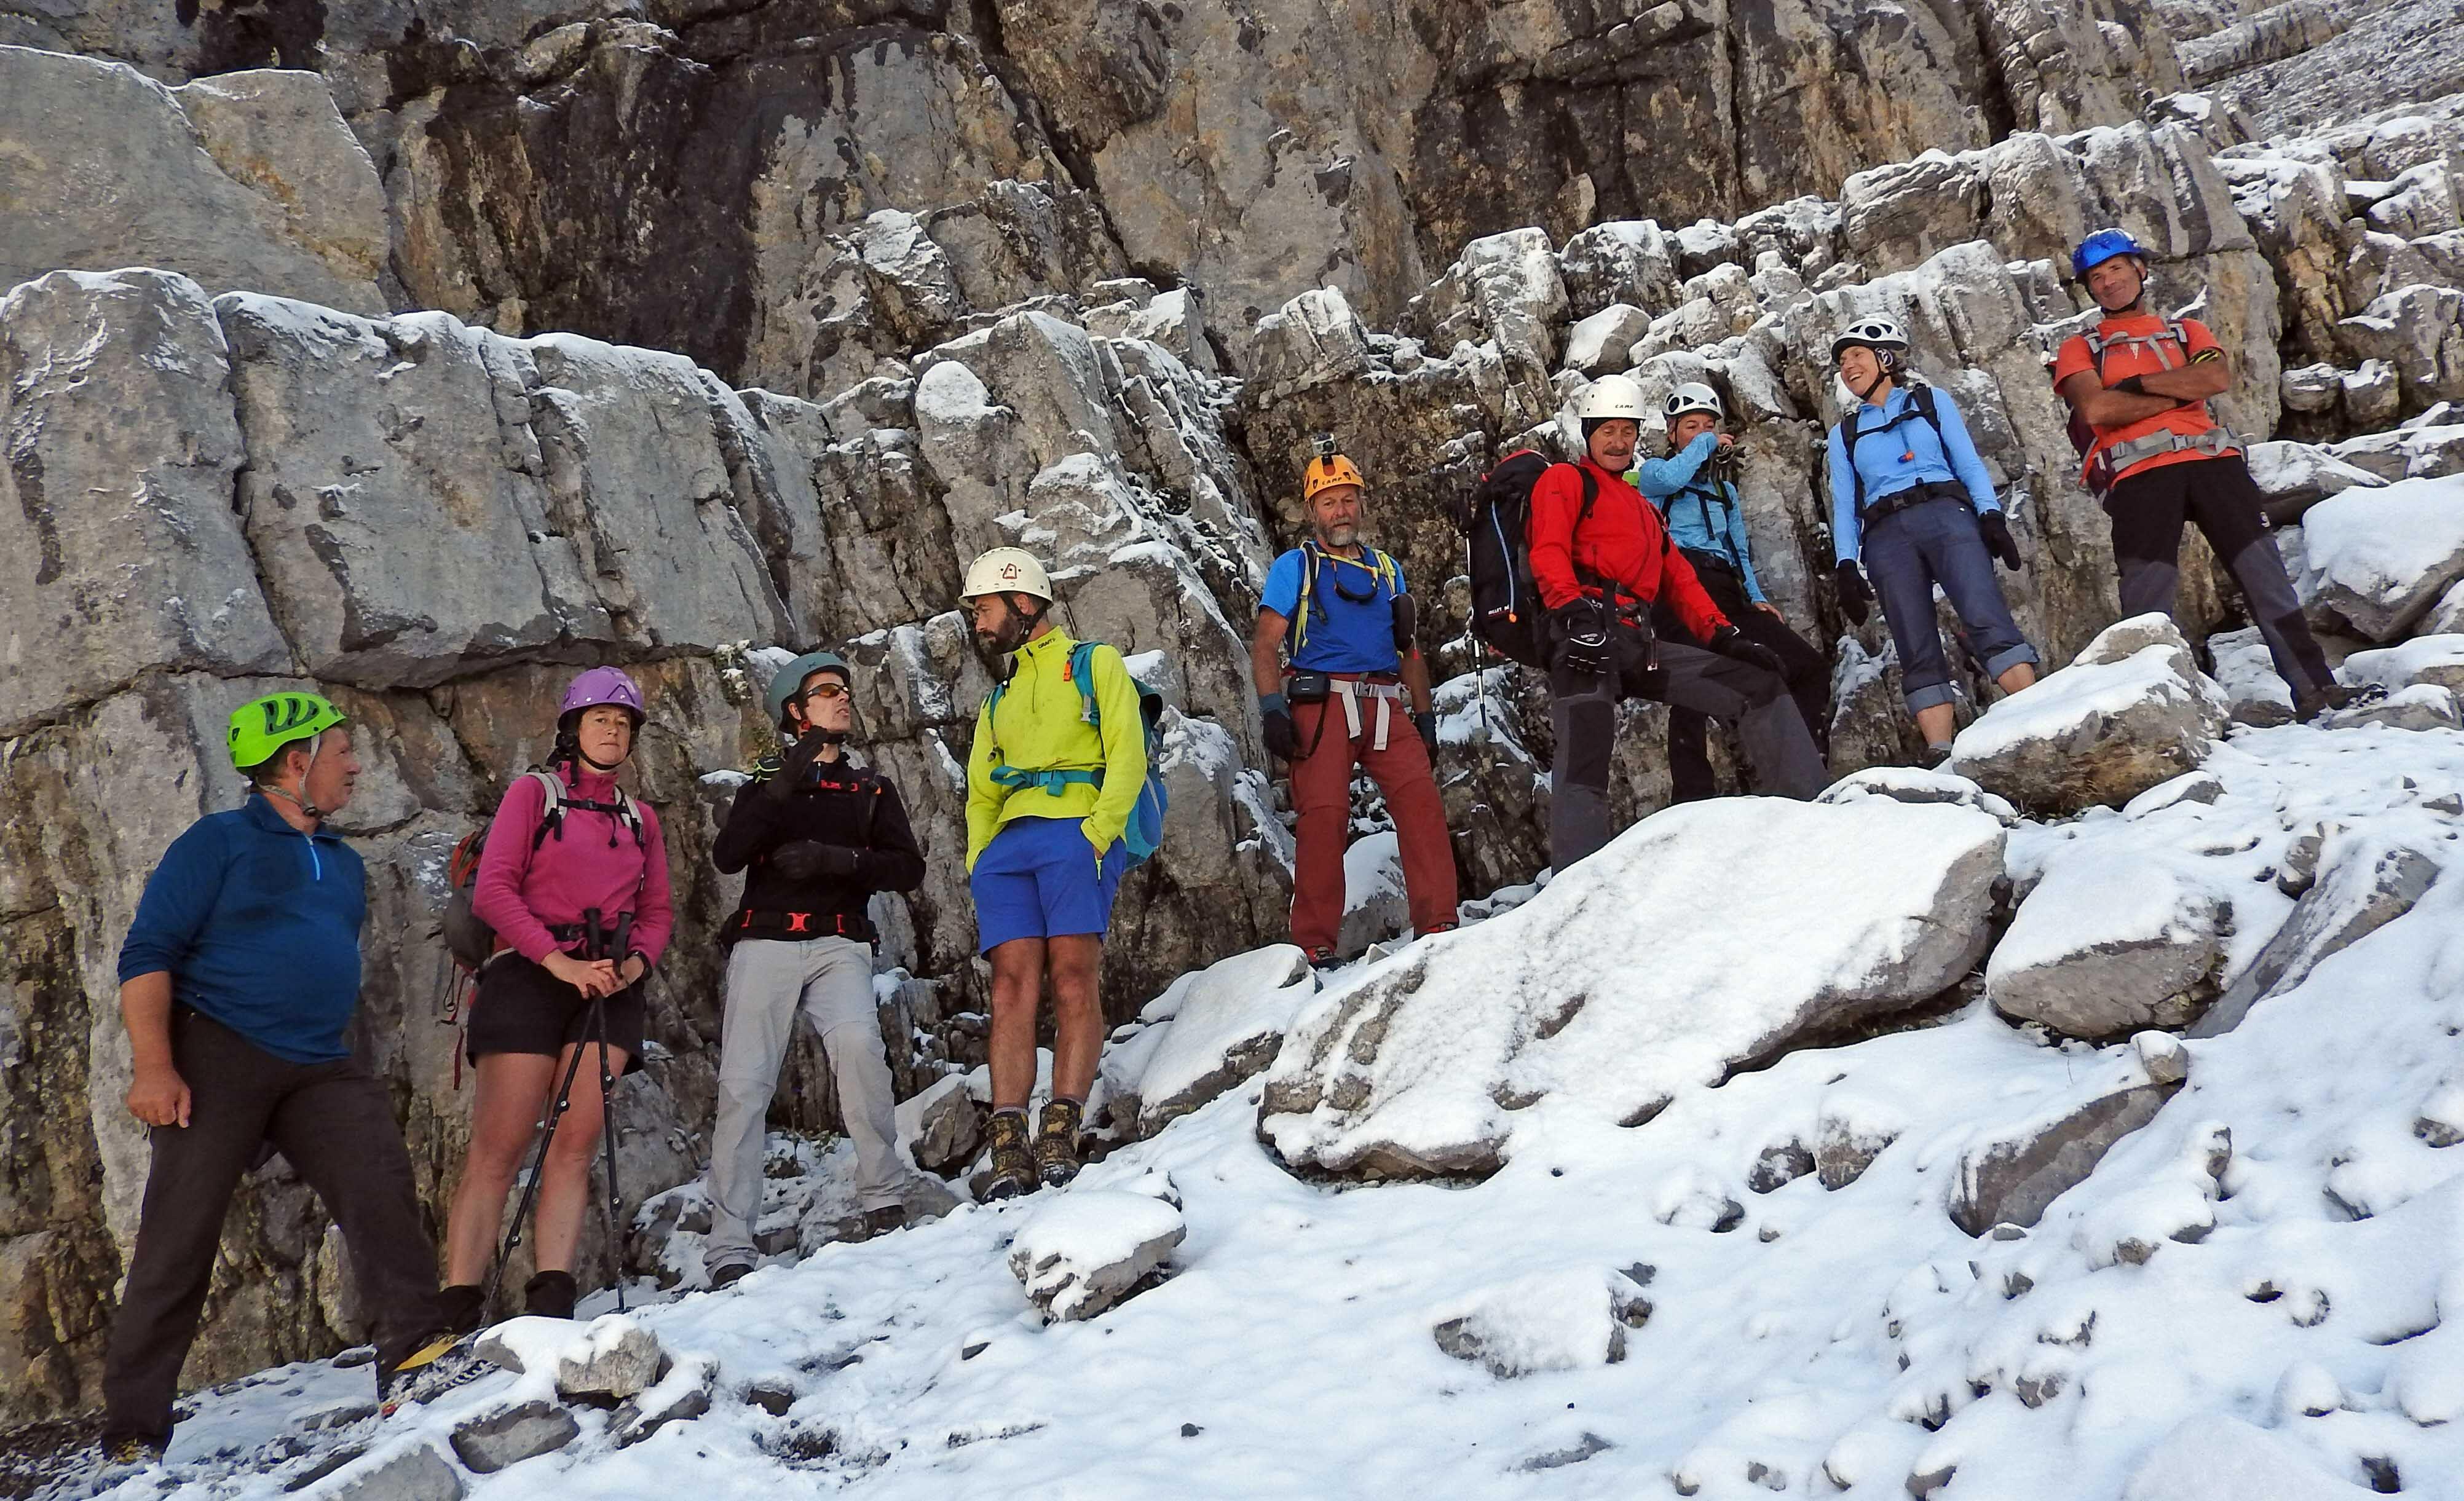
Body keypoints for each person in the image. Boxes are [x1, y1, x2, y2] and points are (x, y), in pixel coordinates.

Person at [100, 691, 467, 1466]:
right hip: (216, 1053)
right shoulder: (217, 842)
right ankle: (133, 1430)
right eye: (342, 752)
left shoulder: (342, 861)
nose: (356, 766)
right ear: (297, 763)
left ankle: (412, 1351)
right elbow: (148, 953)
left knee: (379, 1185)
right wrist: (155, 1066)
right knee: (178, 1236)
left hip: (319, 1060)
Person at [438, 668, 673, 1330]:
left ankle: (551, 1303)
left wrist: (634, 965)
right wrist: (559, 962)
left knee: (575, 1143)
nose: (613, 731)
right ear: (573, 728)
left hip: (608, 983)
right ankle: (456, 1306)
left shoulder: (640, 819)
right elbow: (495, 891)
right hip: (530, 974)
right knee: (500, 1146)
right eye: (601, 719)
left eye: (623, 723)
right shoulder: (533, 795)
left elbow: (657, 911)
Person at [2054, 229, 2356, 720]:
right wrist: (2179, 392)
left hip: (2214, 465)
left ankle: (2318, 691)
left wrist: (2135, 386)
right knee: (2147, 597)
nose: (2108, 282)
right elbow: (2098, 409)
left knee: (2265, 577)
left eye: (2116, 269)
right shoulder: (2079, 347)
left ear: (2140, 270)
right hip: (2139, 476)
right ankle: (2153, 713)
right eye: (2097, 277)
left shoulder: (2187, 331)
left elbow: (2214, 378)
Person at [1533, 374, 1828, 873]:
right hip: (1585, 634)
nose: (1619, 442)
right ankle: (1576, 886)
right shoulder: (1565, 480)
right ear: (1589, 434)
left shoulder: (1644, 511)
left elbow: (1680, 580)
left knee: (1755, 684)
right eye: (1607, 431)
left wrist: (1724, 636)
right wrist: (1572, 613)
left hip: (1639, 639)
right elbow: (1548, 549)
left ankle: (1809, 810)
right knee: (1585, 755)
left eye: (1627, 432)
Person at [701, 652, 929, 1290]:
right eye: (827, 691)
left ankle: (883, 1196)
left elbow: (907, 868)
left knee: (859, 1048)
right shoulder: (766, 781)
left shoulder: (869, 788)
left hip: (838, 941)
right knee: (744, 1084)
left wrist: (837, 861)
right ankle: (729, 1246)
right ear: (796, 711)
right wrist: (784, 778)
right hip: (766, 940)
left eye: (845, 690)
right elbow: (729, 855)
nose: (843, 698)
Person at [962, 548, 1145, 1199]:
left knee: (1072, 977)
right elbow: (981, 789)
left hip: (1075, 834)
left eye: (985, 609)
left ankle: (1061, 1129)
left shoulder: (1095, 664)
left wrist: (1097, 834)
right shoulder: (998, 699)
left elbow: (1128, 753)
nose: (978, 622)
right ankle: (1009, 1142)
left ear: (1024, 602)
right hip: (1008, 850)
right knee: (1010, 989)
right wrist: (980, 857)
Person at [1250, 446, 1458, 966]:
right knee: (1324, 818)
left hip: (1386, 704)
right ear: (1312, 511)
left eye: (1347, 500)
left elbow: (1409, 650)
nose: (1340, 511)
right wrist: (1272, 707)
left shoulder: (1387, 571)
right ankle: (1314, 943)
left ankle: (1439, 923)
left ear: (1361, 504)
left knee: (1422, 805)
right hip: (1323, 705)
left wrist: (1425, 716)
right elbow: (1266, 643)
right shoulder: (1295, 567)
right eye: (1329, 503)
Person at [1826, 315, 2041, 762]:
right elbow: (1844, 504)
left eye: (1857, 356)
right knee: (1913, 639)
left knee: (1984, 614)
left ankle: (2037, 717)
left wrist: (1990, 515)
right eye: (1843, 361)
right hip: (1886, 535)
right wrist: (1846, 563)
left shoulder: (1930, 401)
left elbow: (1968, 462)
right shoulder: (1844, 433)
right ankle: (1940, 752)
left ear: (1885, 358)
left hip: (1946, 513)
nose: (1848, 367)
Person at [1634, 382, 1832, 803]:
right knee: (1693, 685)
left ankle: (1806, 774)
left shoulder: (1724, 491)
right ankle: (1692, 796)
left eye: (1709, 425)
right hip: (1678, 591)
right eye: (1691, 426)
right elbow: (1672, 477)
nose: (1702, 433)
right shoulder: (1653, 473)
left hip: (1726, 591)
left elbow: (1738, 550)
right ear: (1672, 433)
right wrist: (1707, 444)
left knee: (1804, 665)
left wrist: (1756, 597)